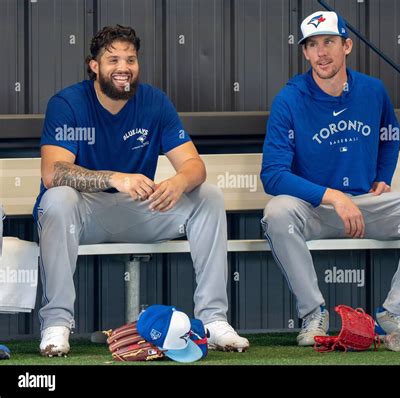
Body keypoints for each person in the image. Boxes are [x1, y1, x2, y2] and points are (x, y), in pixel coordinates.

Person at [35, 25, 249, 356]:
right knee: (57, 199)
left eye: (131, 60)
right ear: (94, 66)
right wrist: (115, 177)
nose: (123, 68)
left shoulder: (154, 101)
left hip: (138, 210)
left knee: (207, 195)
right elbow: (53, 172)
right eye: (113, 60)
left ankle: (213, 320)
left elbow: (195, 166)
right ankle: (57, 324)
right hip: (84, 215)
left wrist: (178, 182)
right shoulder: (68, 103)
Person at [260, 11, 400, 346]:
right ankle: (313, 314)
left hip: (365, 205)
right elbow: (272, 175)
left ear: (346, 46)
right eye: (312, 44)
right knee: (276, 213)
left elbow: (390, 132)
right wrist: (334, 196)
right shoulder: (289, 99)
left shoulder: (372, 90)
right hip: (315, 209)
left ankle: (394, 312)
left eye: (329, 42)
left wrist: (384, 174)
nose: (321, 52)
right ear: (305, 52)